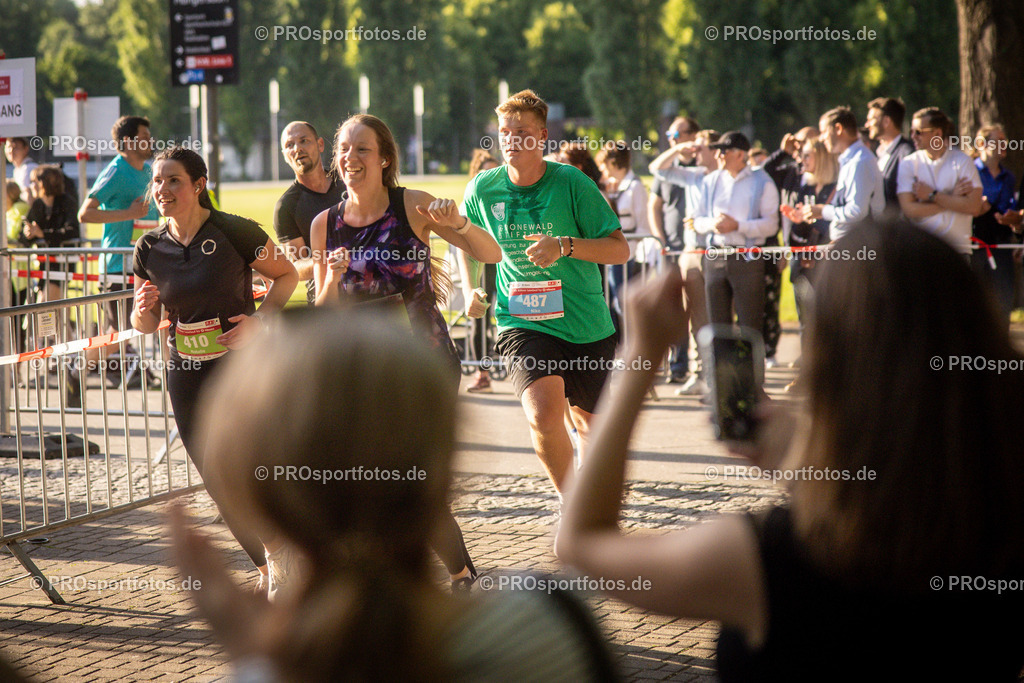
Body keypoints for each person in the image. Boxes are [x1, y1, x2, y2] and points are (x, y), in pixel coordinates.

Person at [557, 219, 1024, 681]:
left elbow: (583, 542)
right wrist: (801, 460)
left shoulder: (768, 559)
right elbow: (899, 477)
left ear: (827, 356)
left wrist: (639, 361)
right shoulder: (999, 516)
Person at [169, 311, 618, 682]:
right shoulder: (549, 626)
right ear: (444, 469)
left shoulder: (264, 672)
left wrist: (256, 653)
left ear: (260, 501)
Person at [310, 114, 502, 590]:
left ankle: (444, 575)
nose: (351, 159)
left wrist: (458, 221)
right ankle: (451, 574)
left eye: (362, 150)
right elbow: (322, 312)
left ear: (385, 159)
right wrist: (331, 281)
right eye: (344, 150)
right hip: (362, 370)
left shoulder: (412, 206)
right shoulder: (324, 225)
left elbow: (491, 253)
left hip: (424, 363)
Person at [131, 147, 298, 595]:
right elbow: (143, 322)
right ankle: (271, 567)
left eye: (173, 181)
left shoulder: (234, 230)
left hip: (238, 366)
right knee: (214, 473)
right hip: (184, 370)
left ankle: (288, 553)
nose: (162, 190)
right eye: (158, 182)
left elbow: (287, 276)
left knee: (250, 465)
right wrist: (142, 311)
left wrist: (260, 320)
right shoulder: (148, 247)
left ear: (198, 184)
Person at [461, 89, 629, 495]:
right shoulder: (483, 189)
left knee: (591, 426)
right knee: (542, 414)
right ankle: (571, 503)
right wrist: (471, 289)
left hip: (585, 324)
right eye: (505, 131)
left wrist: (565, 245)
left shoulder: (572, 183)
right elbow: (464, 240)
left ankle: (591, 501)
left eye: (521, 131)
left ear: (541, 137)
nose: (512, 139)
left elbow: (619, 249)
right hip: (522, 321)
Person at [648, 128, 721, 396]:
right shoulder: (693, 176)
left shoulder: (727, 178)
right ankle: (699, 373)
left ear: (715, 150)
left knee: (721, 315)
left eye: (700, 147)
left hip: (719, 252)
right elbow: (657, 168)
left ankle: (720, 375)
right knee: (696, 318)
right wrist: (679, 150)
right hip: (692, 253)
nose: (695, 151)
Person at [693, 131, 779, 349]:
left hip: (747, 259)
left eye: (724, 151)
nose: (719, 155)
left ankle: (752, 383)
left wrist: (738, 226)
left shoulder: (762, 182)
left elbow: (771, 225)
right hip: (715, 257)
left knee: (750, 328)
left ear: (741, 155)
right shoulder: (711, 181)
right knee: (717, 329)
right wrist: (713, 224)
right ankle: (721, 382)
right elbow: (696, 220)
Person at [79, 115, 160, 332]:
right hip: (118, 267)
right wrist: (129, 213)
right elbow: (85, 214)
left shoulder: (149, 172)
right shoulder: (115, 170)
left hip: (146, 266)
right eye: (144, 137)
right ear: (128, 141)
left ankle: (155, 366)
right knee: (119, 335)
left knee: (152, 327)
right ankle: (81, 367)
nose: (151, 141)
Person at [778, 138, 837, 390]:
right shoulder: (805, 187)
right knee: (806, 321)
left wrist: (813, 220)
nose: (802, 160)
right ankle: (808, 375)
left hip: (827, 266)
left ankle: (831, 376)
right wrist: (797, 219)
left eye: (807, 155)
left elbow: (837, 226)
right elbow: (797, 229)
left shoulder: (838, 187)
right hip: (802, 264)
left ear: (822, 157)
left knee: (829, 321)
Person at [273, 121, 345, 305]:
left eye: (304, 141)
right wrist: (329, 261)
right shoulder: (286, 206)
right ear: (284, 156)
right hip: (324, 299)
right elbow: (295, 267)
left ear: (320, 144)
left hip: (369, 288)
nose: (297, 148)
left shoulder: (348, 183)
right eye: (289, 145)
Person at [897, 107, 983, 256]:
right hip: (922, 250)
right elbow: (909, 210)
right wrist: (954, 200)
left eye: (918, 132)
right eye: (911, 131)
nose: (912, 136)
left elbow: (974, 207)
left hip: (958, 252)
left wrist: (932, 195)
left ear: (937, 133)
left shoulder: (963, 162)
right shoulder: (908, 163)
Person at [803, 106, 884, 241]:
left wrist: (822, 211)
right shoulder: (851, 160)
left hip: (859, 246)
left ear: (838, 129)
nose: (822, 139)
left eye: (824, 132)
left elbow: (857, 211)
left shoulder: (860, 161)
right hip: (850, 245)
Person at [458, 148, 501, 393]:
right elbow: (462, 239)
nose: (492, 177)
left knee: (504, 313)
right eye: (487, 172)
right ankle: (482, 373)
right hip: (481, 264)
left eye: (496, 171)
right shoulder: (472, 198)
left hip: (503, 263)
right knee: (479, 320)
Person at [968, 124, 1021, 322]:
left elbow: (1011, 206)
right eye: (998, 141)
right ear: (982, 144)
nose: (1004, 145)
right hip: (975, 245)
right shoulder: (969, 170)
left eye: (1004, 141)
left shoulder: (1009, 177)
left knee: (1003, 301)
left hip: (1001, 245)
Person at [595, 140, 651, 325]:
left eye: (604, 164)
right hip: (612, 254)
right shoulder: (611, 187)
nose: (603, 170)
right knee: (617, 303)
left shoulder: (635, 187)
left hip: (630, 255)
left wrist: (632, 250)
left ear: (612, 163)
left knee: (626, 304)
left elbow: (643, 224)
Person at [24, 165, 80, 302]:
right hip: (44, 265)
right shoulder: (38, 204)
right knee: (51, 312)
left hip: (61, 264)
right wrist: (28, 233)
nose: (31, 186)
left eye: (34, 182)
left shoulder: (67, 202)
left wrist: (43, 234)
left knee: (45, 307)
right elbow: (26, 232)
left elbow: (71, 231)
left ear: (44, 183)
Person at [865, 97, 915, 215]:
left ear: (886, 121)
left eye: (871, 120)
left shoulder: (906, 153)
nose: (866, 125)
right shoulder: (876, 153)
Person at [4, 137, 38, 204]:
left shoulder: (28, 168)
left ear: (25, 149)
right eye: (8, 147)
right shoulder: (18, 169)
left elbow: (29, 196)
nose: (11, 151)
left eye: (15, 147)